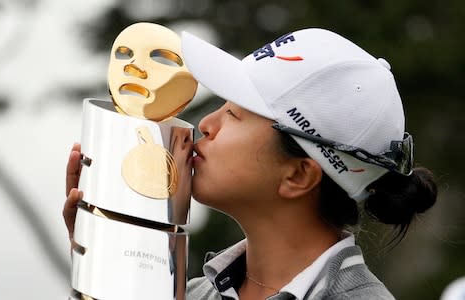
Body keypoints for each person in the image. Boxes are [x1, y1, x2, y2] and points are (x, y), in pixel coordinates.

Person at [64, 28, 437, 300]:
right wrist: (104, 249)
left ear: (297, 175)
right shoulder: (193, 293)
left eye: (235, 115)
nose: (206, 125)